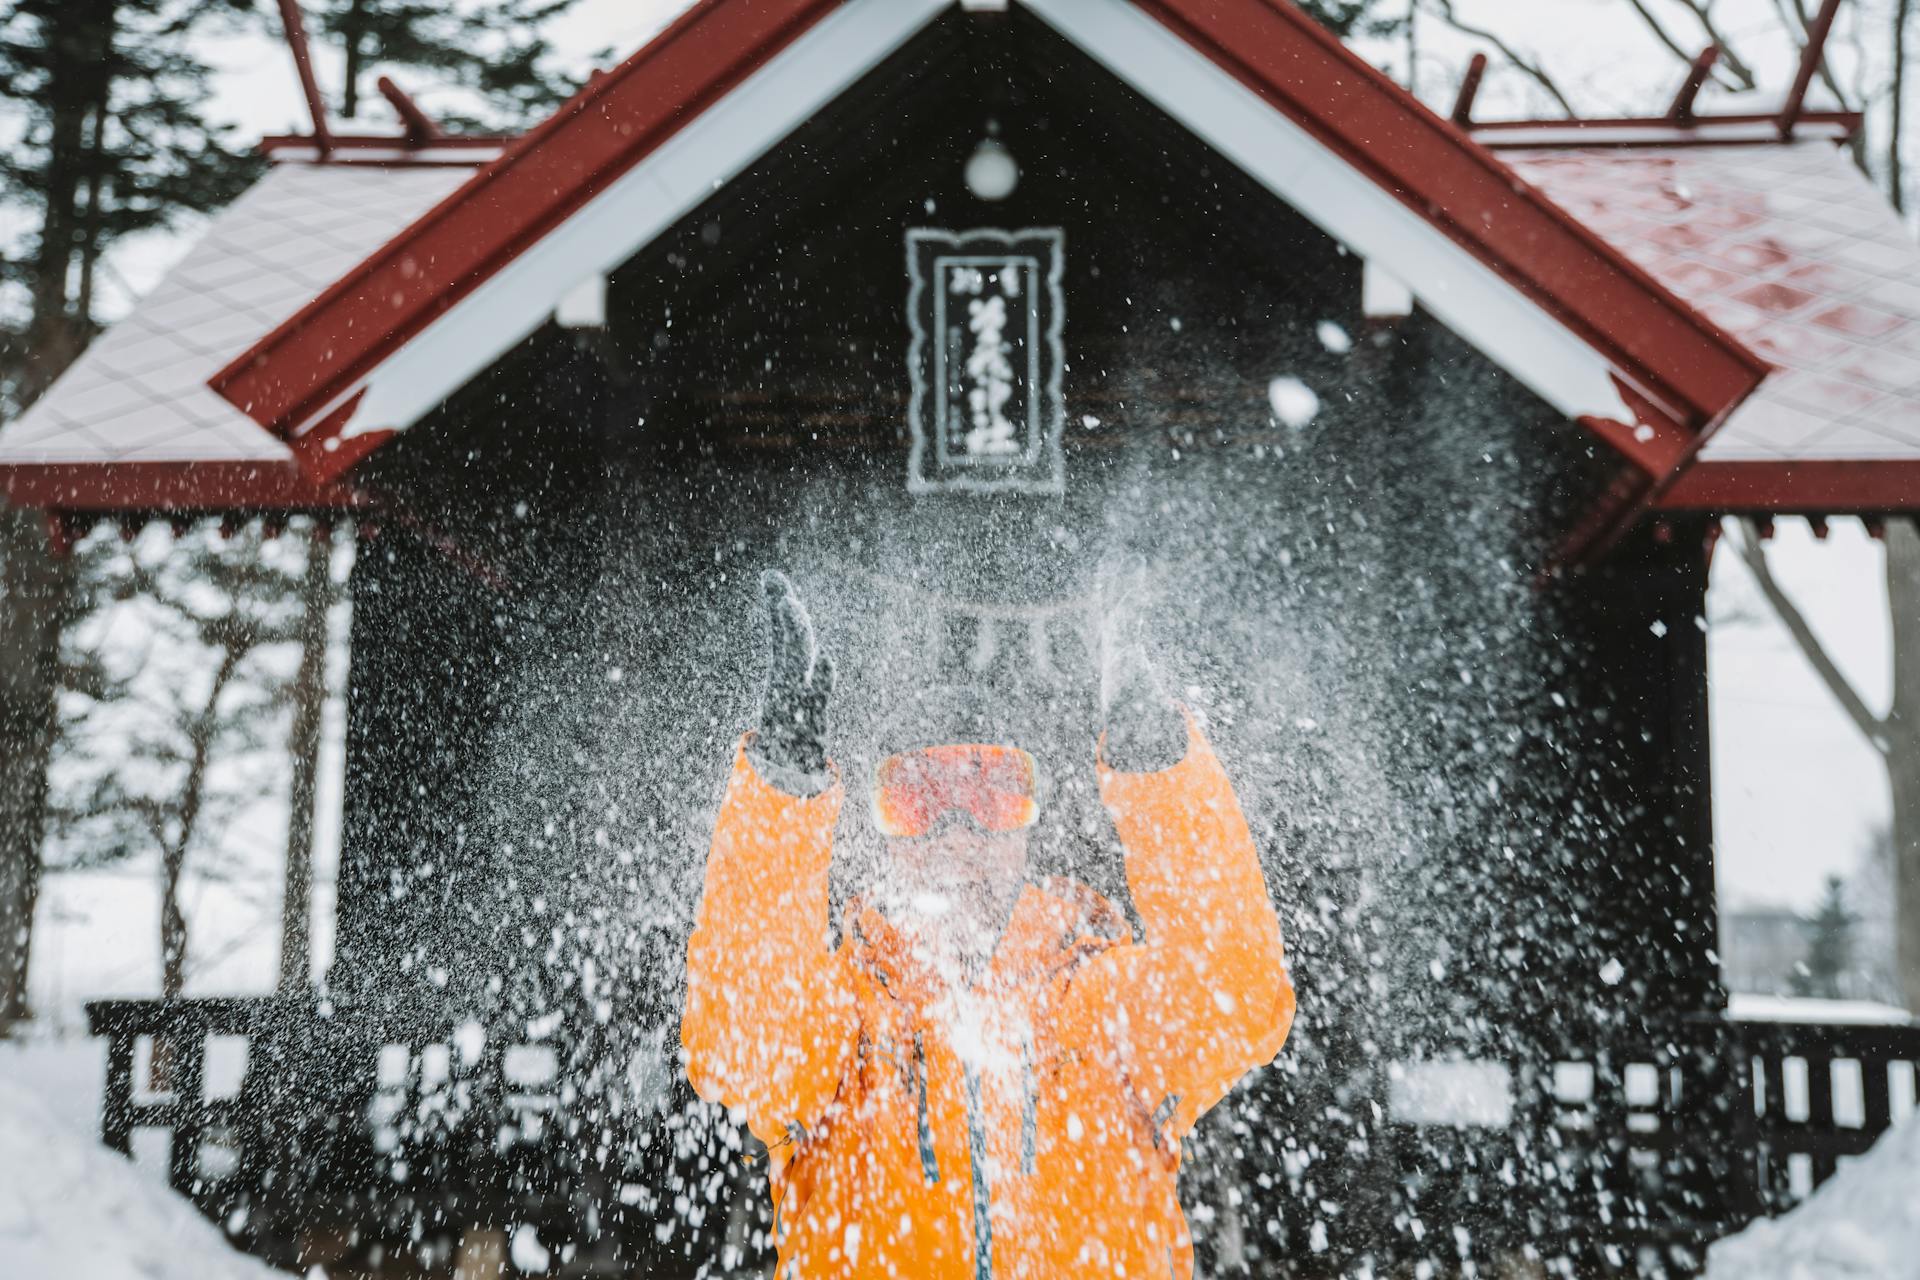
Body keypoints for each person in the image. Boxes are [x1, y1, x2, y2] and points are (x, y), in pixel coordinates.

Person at [682, 571, 1295, 1279]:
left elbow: (1239, 996)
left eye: (990, 791)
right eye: (920, 798)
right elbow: (741, 1044)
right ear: (885, 832)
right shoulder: (845, 1019)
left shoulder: (1102, 1004)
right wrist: (782, 790)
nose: (956, 830)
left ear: (1028, 822)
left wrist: (1154, 758)